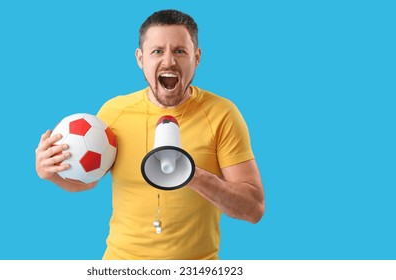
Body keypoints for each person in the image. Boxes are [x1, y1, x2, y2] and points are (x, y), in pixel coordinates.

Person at [35, 9, 265, 260]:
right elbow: (88, 181)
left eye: (180, 51)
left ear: (196, 57)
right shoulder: (113, 112)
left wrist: (191, 174)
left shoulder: (222, 114)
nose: (168, 61)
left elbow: (253, 209)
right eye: (157, 51)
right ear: (140, 58)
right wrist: (51, 174)